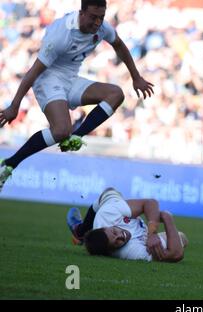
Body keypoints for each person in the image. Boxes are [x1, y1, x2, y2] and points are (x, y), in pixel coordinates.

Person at [0, 0, 154, 192]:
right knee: (61, 130)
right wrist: (14, 105)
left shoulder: (102, 27)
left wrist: (136, 77)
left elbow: (120, 46)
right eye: (93, 17)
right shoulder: (61, 34)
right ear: (81, 13)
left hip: (71, 79)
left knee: (116, 94)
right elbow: (33, 72)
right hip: (48, 79)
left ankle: (77, 136)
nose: (97, 23)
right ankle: (9, 164)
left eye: (101, 17)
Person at [66, 187, 188, 262]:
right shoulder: (131, 252)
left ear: (108, 226)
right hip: (131, 232)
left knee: (108, 191)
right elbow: (176, 254)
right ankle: (84, 237)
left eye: (114, 232)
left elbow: (149, 203)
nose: (121, 236)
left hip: (106, 205)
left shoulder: (108, 214)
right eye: (117, 242)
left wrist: (152, 232)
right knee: (182, 238)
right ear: (112, 251)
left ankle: (80, 231)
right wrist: (167, 217)